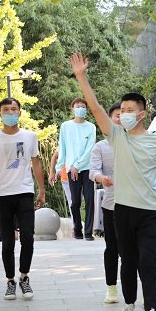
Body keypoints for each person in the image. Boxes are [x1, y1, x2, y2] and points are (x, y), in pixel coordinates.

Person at [71, 52, 156, 311]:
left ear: (141, 114)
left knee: (147, 261)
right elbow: (95, 108)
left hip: (152, 210)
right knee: (128, 261)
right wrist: (81, 76)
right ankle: (129, 303)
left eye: (131, 110)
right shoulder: (116, 137)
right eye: (123, 109)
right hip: (124, 210)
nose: (125, 114)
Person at [0, 97, 46, 300]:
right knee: (7, 241)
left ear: (20, 112)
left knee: (27, 238)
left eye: (13, 109)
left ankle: (24, 277)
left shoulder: (29, 136)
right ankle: (10, 281)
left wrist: (42, 190)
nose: (10, 113)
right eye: (6, 110)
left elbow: (36, 163)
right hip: (2, 194)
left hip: (24, 192)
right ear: (0, 114)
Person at [89, 102, 122, 303]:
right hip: (112, 204)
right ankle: (111, 287)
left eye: (126, 114)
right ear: (109, 119)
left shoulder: (139, 142)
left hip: (136, 204)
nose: (121, 118)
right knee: (112, 248)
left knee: (136, 249)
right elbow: (93, 172)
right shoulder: (100, 147)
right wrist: (103, 179)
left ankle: (144, 289)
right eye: (118, 115)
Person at [54, 97, 96, 240]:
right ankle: (77, 228)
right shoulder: (66, 126)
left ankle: (89, 232)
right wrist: (59, 168)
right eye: (78, 106)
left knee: (90, 199)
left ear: (87, 109)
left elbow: (90, 149)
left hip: (87, 168)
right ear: (72, 109)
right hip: (71, 169)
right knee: (75, 201)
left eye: (83, 106)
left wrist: (77, 166)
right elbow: (62, 147)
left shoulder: (91, 127)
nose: (80, 109)